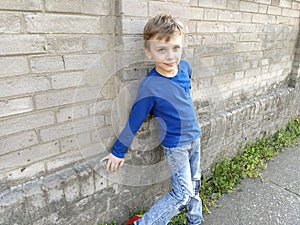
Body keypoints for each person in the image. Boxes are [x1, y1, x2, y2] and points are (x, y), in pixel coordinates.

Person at [101, 14, 202, 225]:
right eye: (161, 50)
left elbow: (185, 90)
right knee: (182, 195)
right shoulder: (150, 86)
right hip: (177, 146)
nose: (170, 56)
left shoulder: (185, 68)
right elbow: (134, 120)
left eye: (176, 48)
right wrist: (118, 151)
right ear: (149, 52)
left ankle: (195, 220)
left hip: (195, 138)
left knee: (195, 183)